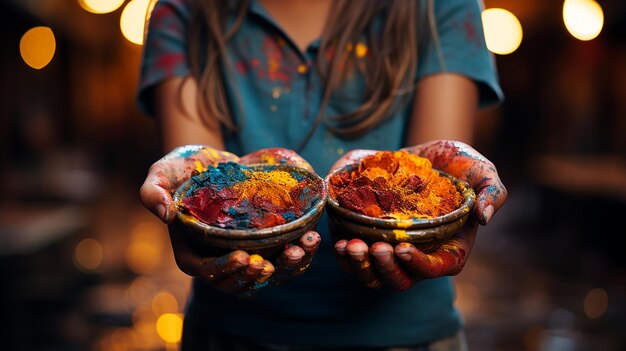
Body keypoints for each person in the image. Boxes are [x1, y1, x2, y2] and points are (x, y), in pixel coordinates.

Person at [137, 0, 508, 350]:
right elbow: (199, 190)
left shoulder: (438, 6)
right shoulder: (183, 9)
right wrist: (190, 202)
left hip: (408, 336)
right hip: (231, 334)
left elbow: (437, 172)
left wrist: (446, 193)